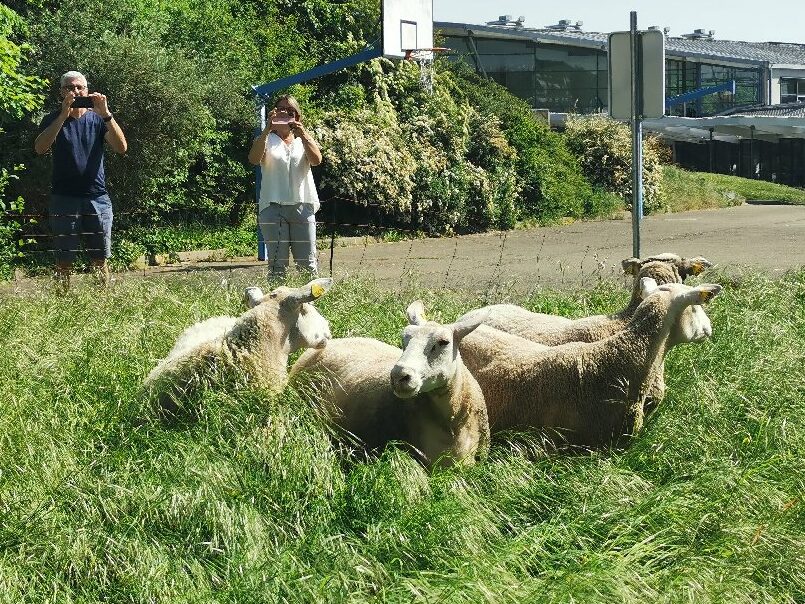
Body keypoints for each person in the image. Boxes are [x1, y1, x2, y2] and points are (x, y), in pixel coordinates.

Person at [34, 70, 127, 290]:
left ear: (87, 90)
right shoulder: (52, 119)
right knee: (64, 259)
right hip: (64, 199)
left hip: (97, 199)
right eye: (70, 88)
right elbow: (40, 148)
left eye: (80, 88)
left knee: (100, 258)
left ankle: (102, 302)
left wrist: (106, 114)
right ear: (61, 92)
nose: (76, 92)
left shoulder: (98, 119)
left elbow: (121, 148)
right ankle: (63, 304)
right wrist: (63, 116)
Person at [248, 95, 322, 277]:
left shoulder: (302, 140)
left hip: (302, 206)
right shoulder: (265, 139)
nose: (284, 113)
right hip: (273, 207)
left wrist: (303, 134)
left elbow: (316, 160)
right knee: (277, 266)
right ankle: (276, 305)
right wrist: (267, 129)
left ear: (297, 115)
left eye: (290, 111)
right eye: (280, 109)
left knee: (308, 264)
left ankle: (310, 303)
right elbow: (253, 159)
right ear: (273, 112)